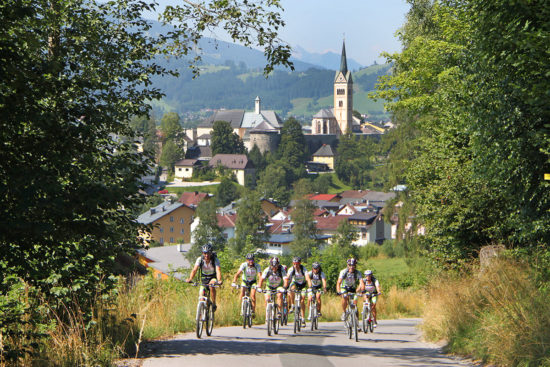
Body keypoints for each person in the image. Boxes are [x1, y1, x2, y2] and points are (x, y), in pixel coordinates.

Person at [186, 244, 222, 311]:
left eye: (208, 253)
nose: (206, 255)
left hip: (212, 278)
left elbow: (218, 270)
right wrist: (190, 278)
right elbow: (194, 270)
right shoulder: (200, 259)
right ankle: (200, 317)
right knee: (201, 297)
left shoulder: (215, 260)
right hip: (204, 279)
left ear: (211, 253)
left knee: (211, 286)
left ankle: (214, 303)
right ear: (202, 253)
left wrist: (219, 280)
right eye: (205, 253)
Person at [284, 256, 311, 327]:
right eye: (294, 264)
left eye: (297, 264)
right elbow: (287, 278)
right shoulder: (291, 269)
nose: (296, 265)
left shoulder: (303, 269)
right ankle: (292, 305)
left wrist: (310, 287)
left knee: (302, 301)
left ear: (300, 263)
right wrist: (285, 286)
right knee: (292, 289)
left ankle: (302, 318)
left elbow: (308, 278)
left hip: (302, 285)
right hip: (295, 283)